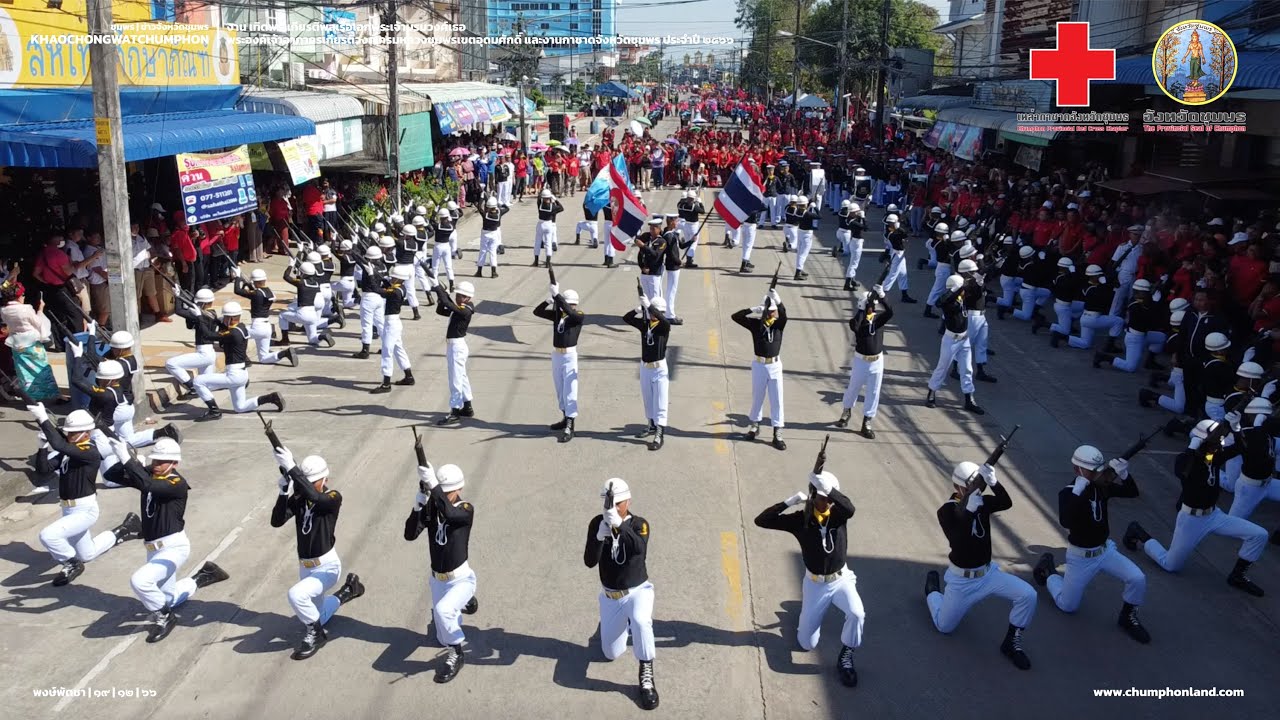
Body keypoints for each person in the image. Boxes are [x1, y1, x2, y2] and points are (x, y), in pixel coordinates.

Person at [105, 435, 229, 643]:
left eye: (162, 462)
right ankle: (202, 577)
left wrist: (130, 461)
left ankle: (165, 617)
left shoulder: (176, 483)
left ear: (175, 463)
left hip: (173, 548)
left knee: (140, 582)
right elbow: (111, 475)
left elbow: (149, 487)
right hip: (153, 549)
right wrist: (128, 460)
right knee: (166, 598)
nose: (157, 465)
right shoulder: (151, 476)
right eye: (155, 460)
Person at [1123, 418, 1268, 596]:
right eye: (1215, 442)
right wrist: (1193, 447)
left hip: (1214, 515)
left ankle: (1238, 575)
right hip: (1191, 519)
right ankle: (1138, 533)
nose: (1219, 446)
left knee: (1259, 534)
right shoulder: (1188, 461)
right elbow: (1182, 471)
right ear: (1201, 442)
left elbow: (1242, 448)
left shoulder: (1212, 457)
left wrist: (1237, 428)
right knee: (1170, 565)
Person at [754, 470, 864, 687]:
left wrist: (829, 490)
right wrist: (790, 501)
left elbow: (850, 508)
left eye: (831, 499)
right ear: (813, 496)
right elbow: (762, 521)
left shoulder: (839, 516)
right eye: (823, 498)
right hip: (815, 585)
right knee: (806, 644)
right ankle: (801, 616)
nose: (828, 503)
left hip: (841, 579)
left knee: (857, 613)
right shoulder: (800, 520)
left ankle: (847, 656)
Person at [924, 460, 1036, 670]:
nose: (977, 489)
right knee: (944, 626)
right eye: (972, 485)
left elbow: (1005, 503)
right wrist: (968, 514)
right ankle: (932, 592)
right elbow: (957, 541)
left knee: (1028, 595)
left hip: (988, 574)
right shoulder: (947, 511)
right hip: (961, 581)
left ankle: (1011, 642)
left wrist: (995, 483)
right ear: (958, 488)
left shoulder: (981, 502)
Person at [1032, 445, 1150, 644]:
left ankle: (1127, 617)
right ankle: (1049, 571)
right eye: (1093, 470)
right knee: (1067, 605)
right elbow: (1066, 521)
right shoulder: (1068, 493)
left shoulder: (1101, 487)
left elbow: (1132, 492)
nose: (1098, 473)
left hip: (1105, 551)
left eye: (1099, 469)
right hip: (1080, 557)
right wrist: (1078, 493)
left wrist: (1124, 474)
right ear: (1078, 470)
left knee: (1137, 578)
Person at [270, 445, 365, 660]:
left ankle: (316, 635)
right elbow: (277, 521)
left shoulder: (332, 497)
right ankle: (348, 591)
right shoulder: (300, 498)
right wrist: (284, 491)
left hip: (327, 567)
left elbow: (316, 497)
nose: (308, 486)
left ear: (324, 480)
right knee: (317, 614)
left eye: (312, 482)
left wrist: (292, 467)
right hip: (306, 567)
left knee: (297, 595)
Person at [28, 404, 140, 586]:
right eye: (69, 433)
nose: (69, 436)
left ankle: (71, 564)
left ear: (86, 433)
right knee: (87, 554)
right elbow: (43, 470)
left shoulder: (89, 451)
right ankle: (124, 529)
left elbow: (58, 443)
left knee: (48, 535)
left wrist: (42, 418)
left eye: (73, 433)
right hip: (68, 509)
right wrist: (41, 447)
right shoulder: (69, 452)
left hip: (84, 510)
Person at [584, 479, 659, 711]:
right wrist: (598, 538)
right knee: (610, 653)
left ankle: (646, 673)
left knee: (641, 620)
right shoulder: (597, 523)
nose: (613, 508)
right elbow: (589, 561)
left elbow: (639, 549)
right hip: (610, 597)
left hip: (638, 592)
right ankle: (620, 624)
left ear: (628, 500)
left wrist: (621, 526)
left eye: (618, 503)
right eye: (609, 503)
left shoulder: (639, 524)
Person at [404, 460, 477, 683]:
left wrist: (434, 485)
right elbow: (410, 534)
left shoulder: (465, 509)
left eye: (447, 493)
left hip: (461, 578)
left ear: (459, 489)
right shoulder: (434, 508)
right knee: (440, 637)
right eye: (441, 493)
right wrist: (419, 505)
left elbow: (450, 514)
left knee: (444, 611)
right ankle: (462, 605)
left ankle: (457, 654)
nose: (443, 497)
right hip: (438, 580)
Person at [191, 302, 285, 421]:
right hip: (242, 374)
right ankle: (270, 398)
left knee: (198, 381)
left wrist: (199, 317)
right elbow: (225, 330)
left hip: (234, 375)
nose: (223, 319)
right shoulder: (241, 328)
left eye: (225, 317)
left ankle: (214, 410)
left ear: (230, 319)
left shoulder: (233, 334)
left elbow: (208, 335)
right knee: (240, 407)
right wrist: (216, 320)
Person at [731, 289, 787, 450]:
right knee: (757, 396)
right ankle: (755, 425)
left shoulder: (779, 325)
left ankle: (777, 432)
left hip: (775, 365)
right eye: (769, 311)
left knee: (777, 399)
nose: (772, 314)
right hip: (759, 365)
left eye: (774, 311)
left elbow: (784, 316)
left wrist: (779, 301)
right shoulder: (756, 325)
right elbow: (736, 317)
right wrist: (753, 309)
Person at [837, 285, 891, 439]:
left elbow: (890, 312)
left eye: (873, 306)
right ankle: (846, 411)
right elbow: (856, 326)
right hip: (861, 361)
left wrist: (882, 297)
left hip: (877, 361)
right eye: (870, 306)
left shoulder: (878, 320)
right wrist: (862, 309)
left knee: (874, 391)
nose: (872, 308)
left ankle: (867, 420)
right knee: (853, 387)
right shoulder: (858, 321)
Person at [926, 275, 984, 415]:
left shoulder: (963, 297)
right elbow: (939, 302)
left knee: (967, 369)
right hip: (951, 340)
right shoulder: (948, 302)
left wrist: (979, 282)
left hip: (964, 339)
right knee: (942, 367)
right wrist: (955, 290)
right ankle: (931, 392)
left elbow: (977, 295)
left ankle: (969, 398)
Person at [533, 284, 584, 442]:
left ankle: (571, 423)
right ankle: (564, 417)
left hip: (569, 356)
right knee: (560, 388)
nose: (568, 306)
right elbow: (537, 312)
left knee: (570, 389)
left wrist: (559, 298)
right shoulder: (558, 315)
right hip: (557, 354)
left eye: (570, 304)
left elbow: (571, 313)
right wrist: (549, 300)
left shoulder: (578, 315)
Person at [623, 295, 672, 451]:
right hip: (645, 366)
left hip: (659, 368)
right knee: (648, 398)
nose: (656, 315)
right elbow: (627, 318)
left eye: (659, 312)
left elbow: (663, 320)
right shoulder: (646, 325)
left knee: (660, 401)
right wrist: (639, 309)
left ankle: (660, 432)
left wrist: (650, 307)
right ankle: (651, 425)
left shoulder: (664, 325)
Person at [2, 280, 59, 401]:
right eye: (22, 295)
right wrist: (40, 310)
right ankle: (51, 394)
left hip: (16, 342)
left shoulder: (3, 311)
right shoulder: (26, 309)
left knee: (24, 372)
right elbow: (38, 323)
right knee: (42, 368)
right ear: (18, 297)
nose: (23, 297)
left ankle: (30, 396)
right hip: (31, 341)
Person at [233, 268, 298, 367]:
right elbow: (255, 293)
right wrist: (248, 284)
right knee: (263, 358)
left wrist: (237, 277)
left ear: (254, 281)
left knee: (237, 334)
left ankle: (243, 358)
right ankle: (284, 353)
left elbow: (237, 290)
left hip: (257, 326)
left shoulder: (256, 293)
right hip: (267, 327)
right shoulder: (268, 292)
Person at [435, 281, 476, 425]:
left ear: (468, 298)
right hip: (453, 346)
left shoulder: (466, 310)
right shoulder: (460, 308)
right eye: (457, 295)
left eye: (462, 296)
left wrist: (438, 288)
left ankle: (455, 410)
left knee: (455, 379)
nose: (458, 298)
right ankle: (467, 406)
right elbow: (441, 310)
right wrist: (442, 296)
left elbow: (449, 305)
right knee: (461, 377)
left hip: (457, 347)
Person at [166, 288, 219, 397]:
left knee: (171, 363)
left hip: (204, 354)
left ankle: (191, 386)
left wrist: (178, 297)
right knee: (206, 386)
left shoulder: (202, 315)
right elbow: (190, 325)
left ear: (203, 304)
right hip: (209, 353)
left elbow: (179, 311)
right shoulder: (212, 313)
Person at [370, 266, 415, 393]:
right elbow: (388, 287)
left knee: (387, 352)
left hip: (391, 323)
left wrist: (371, 275)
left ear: (399, 279)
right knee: (398, 349)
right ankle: (408, 376)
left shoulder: (395, 292)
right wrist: (383, 279)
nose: (392, 278)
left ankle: (386, 384)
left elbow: (377, 290)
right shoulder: (400, 288)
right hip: (393, 322)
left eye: (394, 277)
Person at [279, 262, 335, 348]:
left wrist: (290, 264)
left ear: (302, 273)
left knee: (282, 315)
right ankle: (322, 336)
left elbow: (286, 277)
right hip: (313, 314)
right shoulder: (316, 284)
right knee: (313, 339)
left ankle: (285, 339)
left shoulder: (301, 283)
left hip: (303, 313)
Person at [661, 214, 694, 324]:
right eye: (676, 221)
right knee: (671, 290)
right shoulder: (668, 236)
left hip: (674, 265)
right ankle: (670, 315)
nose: (677, 223)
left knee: (672, 290)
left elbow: (681, 246)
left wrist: (691, 241)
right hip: (672, 265)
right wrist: (679, 262)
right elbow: (671, 253)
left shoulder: (672, 233)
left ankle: (669, 313)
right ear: (671, 222)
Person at [880, 214, 916, 303]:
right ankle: (880, 294)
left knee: (903, 274)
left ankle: (904, 295)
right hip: (896, 254)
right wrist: (901, 226)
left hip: (900, 254)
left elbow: (904, 237)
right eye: (892, 223)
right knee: (892, 275)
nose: (893, 224)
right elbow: (904, 235)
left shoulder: (894, 231)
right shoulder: (891, 233)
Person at [636, 218, 667, 302]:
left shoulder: (662, 241)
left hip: (654, 273)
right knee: (645, 298)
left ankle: (657, 314)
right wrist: (642, 267)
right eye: (650, 229)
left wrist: (644, 246)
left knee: (656, 298)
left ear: (659, 229)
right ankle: (646, 314)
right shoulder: (647, 239)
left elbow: (656, 255)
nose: (651, 231)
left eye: (654, 229)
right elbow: (640, 254)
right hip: (644, 272)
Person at [533, 189, 564, 267]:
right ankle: (547, 262)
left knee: (537, 242)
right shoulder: (552, 207)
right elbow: (561, 208)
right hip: (549, 225)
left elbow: (539, 198)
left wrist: (543, 192)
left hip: (540, 224)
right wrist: (555, 199)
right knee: (548, 244)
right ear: (549, 197)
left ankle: (536, 261)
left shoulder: (539, 204)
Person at [794, 196, 819, 281]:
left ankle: (799, 269)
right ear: (805, 204)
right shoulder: (808, 214)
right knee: (803, 254)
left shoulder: (797, 211)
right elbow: (819, 216)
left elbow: (804, 211)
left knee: (799, 253)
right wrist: (815, 207)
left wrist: (809, 206)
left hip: (800, 232)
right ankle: (798, 272)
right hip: (807, 234)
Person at [676, 189, 704, 267]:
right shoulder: (694, 207)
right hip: (693, 226)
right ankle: (689, 260)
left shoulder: (682, 205)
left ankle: (688, 259)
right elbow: (703, 211)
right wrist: (700, 202)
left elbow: (679, 204)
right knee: (693, 243)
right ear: (693, 198)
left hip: (686, 225)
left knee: (688, 241)